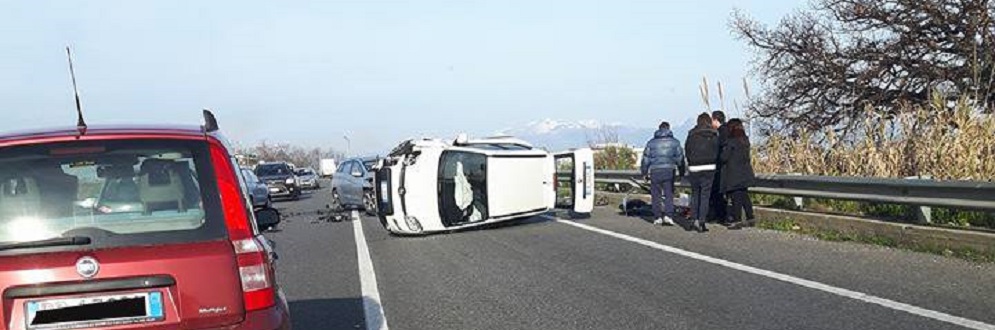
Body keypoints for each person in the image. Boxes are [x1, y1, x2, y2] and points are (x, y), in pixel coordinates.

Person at [640, 121, 685, 226]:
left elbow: (645, 159)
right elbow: (680, 159)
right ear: (669, 129)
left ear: (658, 129)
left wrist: (644, 172)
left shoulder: (651, 143)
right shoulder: (675, 142)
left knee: (656, 195)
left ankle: (657, 217)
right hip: (669, 170)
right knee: (669, 193)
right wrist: (682, 172)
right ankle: (668, 216)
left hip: (655, 170)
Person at [684, 113, 720, 233]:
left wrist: (691, 162)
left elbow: (687, 150)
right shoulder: (714, 133)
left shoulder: (692, 134)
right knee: (705, 195)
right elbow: (717, 149)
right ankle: (702, 222)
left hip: (694, 167)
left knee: (695, 194)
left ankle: (692, 220)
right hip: (709, 167)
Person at [720, 119, 756, 229]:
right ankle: (750, 217)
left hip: (734, 174)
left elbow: (724, 157)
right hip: (745, 173)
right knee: (745, 196)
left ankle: (737, 220)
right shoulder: (745, 141)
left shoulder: (731, 142)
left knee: (736, 198)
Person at [709, 110, 731, 225]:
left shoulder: (721, 133)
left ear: (716, 120)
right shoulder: (727, 131)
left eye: (712, 120)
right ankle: (721, 216)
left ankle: (721, 216)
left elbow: (721, 150)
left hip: (721, 168)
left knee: (717, 193)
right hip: (724, 168)